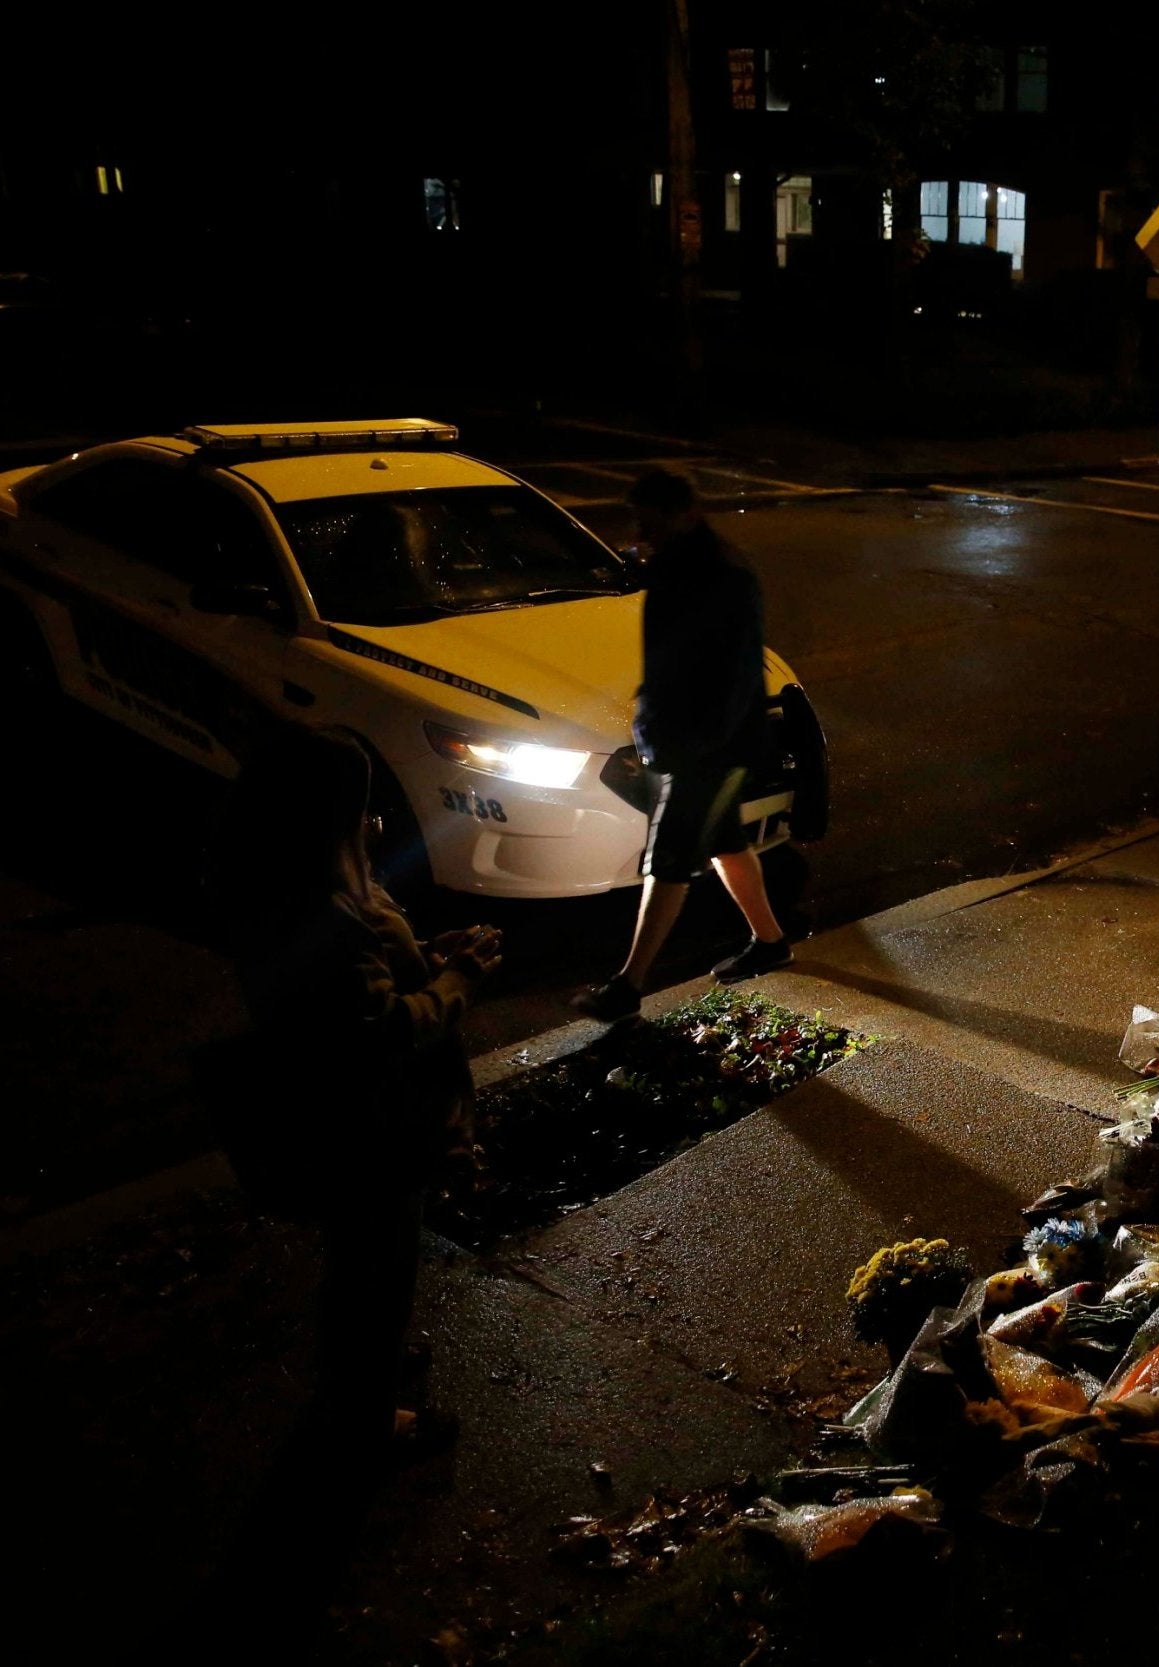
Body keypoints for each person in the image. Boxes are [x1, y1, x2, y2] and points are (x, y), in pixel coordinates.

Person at [204, 726, 500, 1622]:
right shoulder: (334, 917)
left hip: (333, 1132)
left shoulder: (278, 897)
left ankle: (360, 1379)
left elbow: (353, 999)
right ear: (328, 822)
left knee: (359, 1268)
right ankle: (366, 1425)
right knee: (379, 1271)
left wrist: (424, 959)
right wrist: (456, 980)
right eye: (360, 806)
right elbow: (375, 1031)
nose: (375, 819)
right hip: (370, 1136)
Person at [572, 468, 790, 1022]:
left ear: (685, 513)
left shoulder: (722, 574)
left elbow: (735, 675)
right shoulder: (675, 562)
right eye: (638, 522)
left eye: (651, 522)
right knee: (723, 843)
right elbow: (669, 659)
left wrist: (689, 746)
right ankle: (770, 943)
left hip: (709, 748)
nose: (642, 533)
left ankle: (627, 986)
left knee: (668, 858)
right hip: (692, 740)